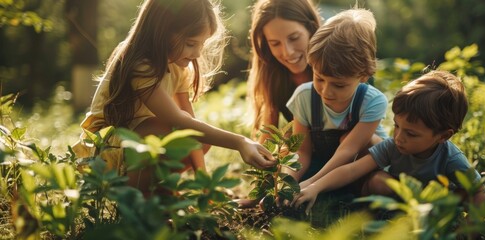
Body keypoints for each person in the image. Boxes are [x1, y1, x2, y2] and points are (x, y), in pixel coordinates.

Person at [74, 0, 274, 196]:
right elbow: (178, 121)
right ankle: (138, 200)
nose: (197, 53)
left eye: (201, 44)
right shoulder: (140, 65)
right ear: (162, 31)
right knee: (159, 130)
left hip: (134, 147)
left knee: (200, 140)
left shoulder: (178, 67)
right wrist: (240, 142)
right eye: (190, 43)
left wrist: (206, 188)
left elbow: (191, 125)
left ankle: (158, 193)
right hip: (103, 152)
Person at [292, 70, 485, 213]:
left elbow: (479, 191)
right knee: (378, 181)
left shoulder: (450, 157)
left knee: (462, 197)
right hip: (400, 200)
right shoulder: (394, 146)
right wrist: (314, 187)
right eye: (396, 126)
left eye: (411, 134)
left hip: (433, 206)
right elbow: (352, 169)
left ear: (443, 136)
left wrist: (469, 231)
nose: (399, 137)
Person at [286, 8, 388, 189]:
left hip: (361, 166)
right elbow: (302, 151)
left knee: (380, 181)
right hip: (325, 165)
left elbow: (348, 151)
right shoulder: (304, 97)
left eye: (338, 85)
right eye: (319, 78)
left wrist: (310, 184)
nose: (326, 91)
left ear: (363, 76)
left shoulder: (372, 101)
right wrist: (288, 184)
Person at [246, 0, 321, 143]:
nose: (287, 52)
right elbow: (268, 135)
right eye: (275, 43)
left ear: (311, 29)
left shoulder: (338, 64)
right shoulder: (273, 75)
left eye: (294, 38)